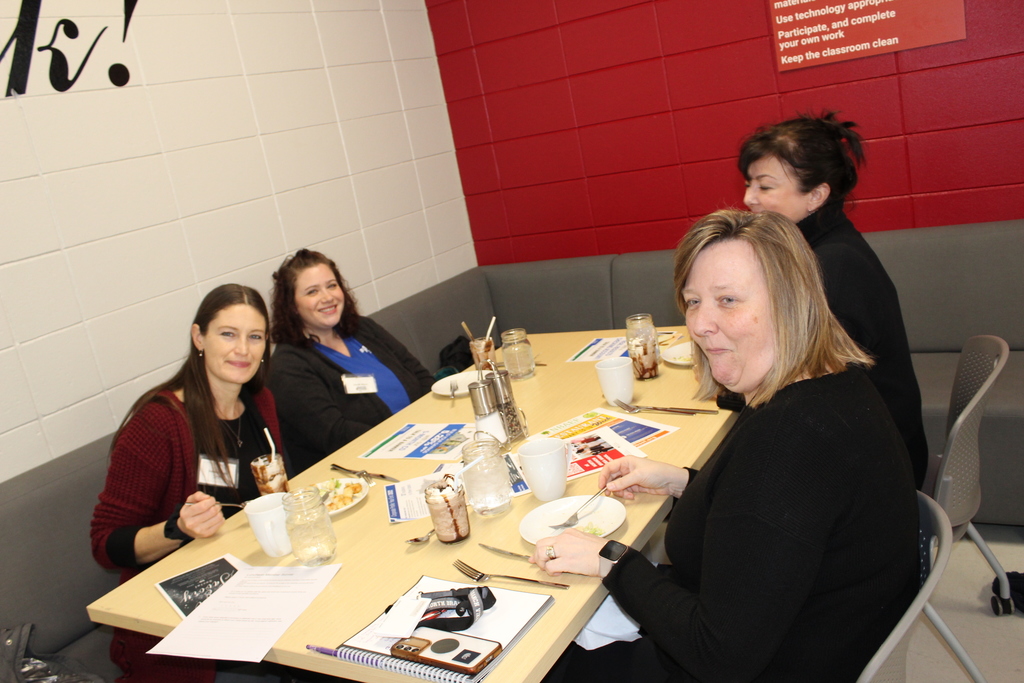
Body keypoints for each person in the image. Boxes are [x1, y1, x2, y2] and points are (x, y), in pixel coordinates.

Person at [532, 210, 919, 682]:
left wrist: (609, 558)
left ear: (791, 302)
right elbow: (780, 517)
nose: (700, 324)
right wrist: (682, 482)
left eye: (728, 300)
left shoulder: (788, 438)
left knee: (546, 659)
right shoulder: (833, 386)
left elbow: (719, 655)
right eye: (693, 301)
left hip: (763, 664)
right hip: (816, 633)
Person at [90, 284, 285, 683]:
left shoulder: (260, 401)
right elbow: (105, 543)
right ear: (199, 337)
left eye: (255, 337)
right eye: (227, 334)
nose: (243, 350)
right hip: (187, 630)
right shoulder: (159, 423)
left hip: (260, 582)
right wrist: (176, 528)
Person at [739, 112, 929, 488]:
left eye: (765, 186)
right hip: (865, 443)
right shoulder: (821, 247)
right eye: (749, 184)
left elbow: (807, 387)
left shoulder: (832, 265)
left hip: (879, 470)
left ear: (816, 195)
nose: (749, 198)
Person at [268, 249, 434, 472]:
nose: (327, 297)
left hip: (425, 440)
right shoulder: (288, 366)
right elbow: (335, 434)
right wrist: (406, 439)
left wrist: (434, 425)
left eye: (331, 285)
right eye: (312, 291)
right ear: (292, 305)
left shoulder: (363, 328)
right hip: (364, 468)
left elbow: (421, 376)